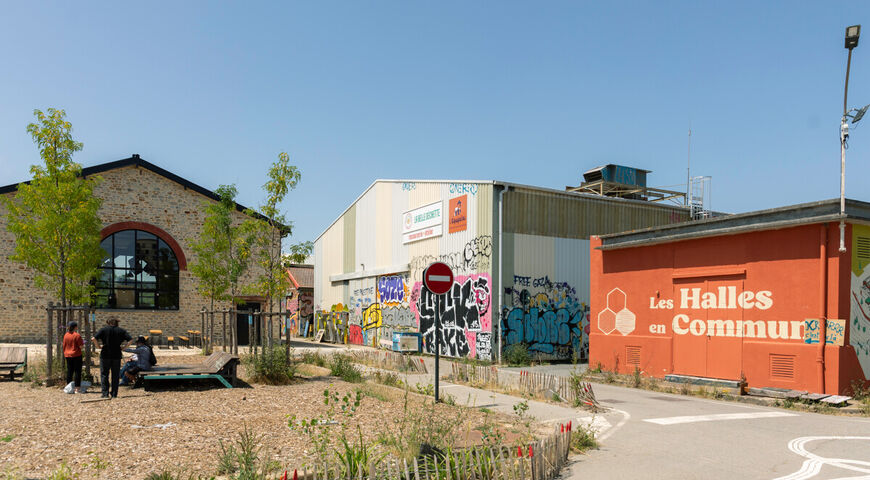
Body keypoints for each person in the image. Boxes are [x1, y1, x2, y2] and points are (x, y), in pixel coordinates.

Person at [92, 317, 132, 398]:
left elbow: (93, 338)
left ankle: (105, 393)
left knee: (104, 374)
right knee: (115, 375)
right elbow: (130, 340)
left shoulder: (103, 330)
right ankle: (114, 393)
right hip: (116, 355)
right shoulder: (121, 330)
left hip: (105, 354)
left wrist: (98, 346)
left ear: (108, 322)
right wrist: (124, 348)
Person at [62, 321, 84, 394]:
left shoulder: (66, 335)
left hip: (67, 355)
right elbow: (81, 346)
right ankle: (77, 389)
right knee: (77, 371)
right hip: (76, 354)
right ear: (75, 327)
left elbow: (64, 345)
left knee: (69, 371)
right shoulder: (77, 335)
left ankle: (69, 387)